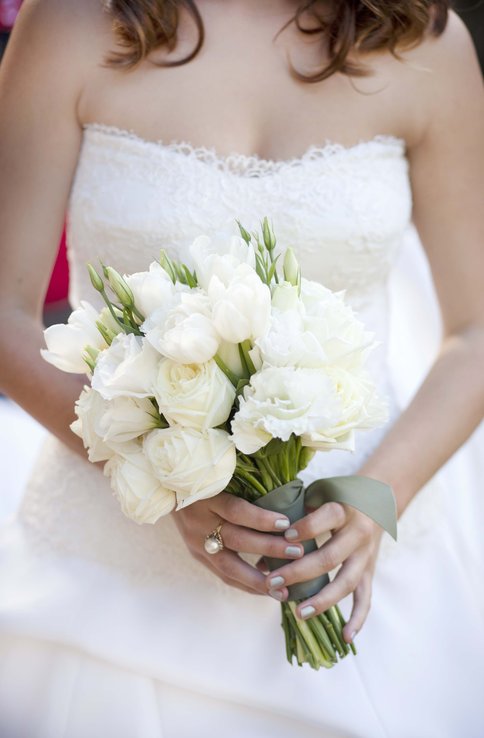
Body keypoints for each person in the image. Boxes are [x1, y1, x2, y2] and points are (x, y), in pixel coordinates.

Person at [0, 1, 483, 736]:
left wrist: (377, 497)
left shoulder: (425, 41)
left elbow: (476, 332)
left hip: (358, 551)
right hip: (112, 564)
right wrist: (163, 482)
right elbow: (5, 310)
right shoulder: (71, 23)